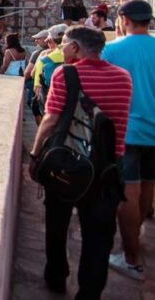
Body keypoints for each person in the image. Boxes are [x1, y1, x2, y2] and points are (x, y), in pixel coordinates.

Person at [29, 26, 131, 297]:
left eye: (63, 43)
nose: (61, 48)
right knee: (98, 238)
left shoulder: (66, 73)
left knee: (57, 224)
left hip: (68, 162)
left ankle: (56, 277)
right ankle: (89, 293)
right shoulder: (123, 78)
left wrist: (36, 154)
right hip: (108, 168)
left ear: (75, 47)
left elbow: (50, 119)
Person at [105, 0, 155, 281]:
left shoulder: (112, 50)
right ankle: (138, 238)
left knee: (128, 193)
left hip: (128, 131)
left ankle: (131, 258)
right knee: (149, 185)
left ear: (123, 19)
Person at [33, 24, 68, 110]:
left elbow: (35, 73)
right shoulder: (78, 52)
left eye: (48, 41)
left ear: (52, 41)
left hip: (52, 94)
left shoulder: (46, 58)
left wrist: (37, 84)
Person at [25, 29, 51, 123]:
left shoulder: (37, 53)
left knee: (36, 107)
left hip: (39, 87)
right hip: (50, 88)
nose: (36, 41)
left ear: (45, 39)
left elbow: (28, 72)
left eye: (38, 39)